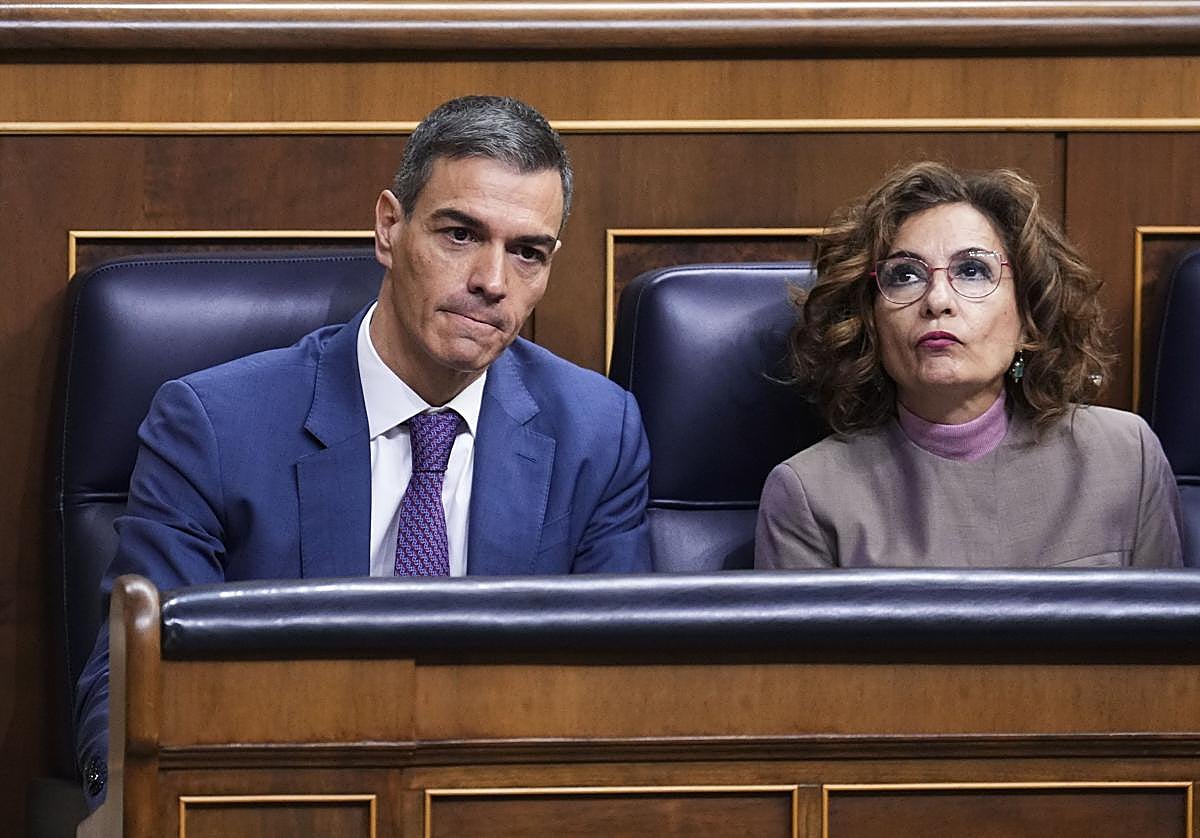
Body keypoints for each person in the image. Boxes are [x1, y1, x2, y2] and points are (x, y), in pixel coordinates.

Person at [75, 95, 651, 807]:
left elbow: (623, 699)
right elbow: (132, 688)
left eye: (526, 252)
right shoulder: (215, 427)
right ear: (389, 228)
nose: (492, 282)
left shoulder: (599, 432)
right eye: (460, 234)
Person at [755, 161, 1182, 569]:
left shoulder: (1125, 456)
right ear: (870, 322)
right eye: (905, 275)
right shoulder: (809, 494)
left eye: (973, 270)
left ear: (1028, 316)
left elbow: (1164, 643)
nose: (937, 300)